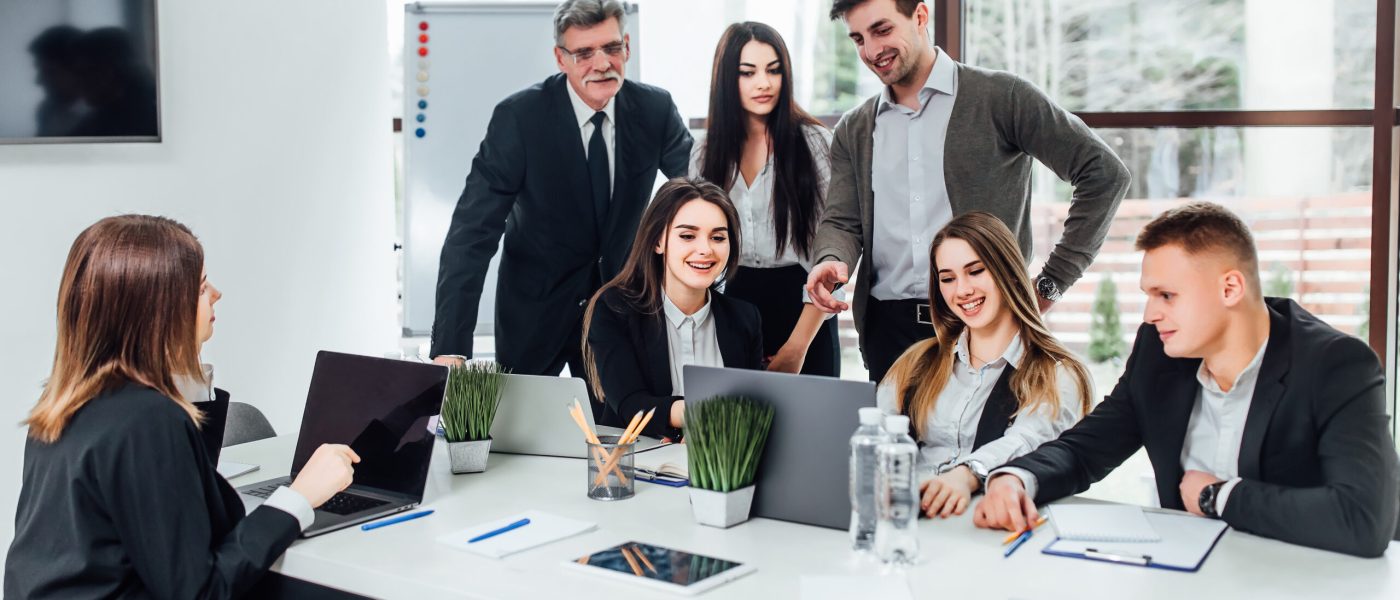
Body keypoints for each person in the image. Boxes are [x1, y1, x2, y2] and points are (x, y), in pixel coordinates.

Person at [975, 202, 1400, 558]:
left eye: (1166, 295)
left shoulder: (1337, 365)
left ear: (1230, 288)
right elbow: (1086, 448)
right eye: (1148, 296)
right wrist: (1017, 478)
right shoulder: (1157, 354)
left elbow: (1362, 519)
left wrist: (1220, 497)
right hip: (1189, 578)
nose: (1149, 315)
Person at [4, 215, 360, 598]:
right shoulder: (145, 419)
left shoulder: (66, 402)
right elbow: (201, 591)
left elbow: (188, 510)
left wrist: (180, 369)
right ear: (160, 310)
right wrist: (299, 497)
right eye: (203, 287)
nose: (217, 294)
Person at [806, 0, 1130, 383]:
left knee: (994, 444)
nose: (871, 51)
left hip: (985, 321)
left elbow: (1104, 174)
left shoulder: (1002, 97)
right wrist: (831, 258)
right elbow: (842, 221)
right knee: (891, 444)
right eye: (858, 39)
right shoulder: (854, 129)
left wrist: (1049, 285)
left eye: (882, 30)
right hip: (888, 335)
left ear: (921, 16)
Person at [431, 0, 693, 411]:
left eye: (611, 48)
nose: (601, 63)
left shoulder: (655, 110)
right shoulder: (519, 118)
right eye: (584, 53)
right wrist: (451, 346)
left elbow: (698, 197)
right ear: (560, 58)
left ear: (627, 46)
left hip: (618, 308)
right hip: (534, 310)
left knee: (618, 441)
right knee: (522, 438)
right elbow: (472, 232)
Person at [879, 212, 1092, 519]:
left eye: (975, 271)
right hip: (910, 522)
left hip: (989, 523)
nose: (961, 290)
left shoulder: (1056, 373)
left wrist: (964, 475)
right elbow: (876, 437)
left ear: (1007, 270)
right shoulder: (917, 362)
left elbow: (1028, 440)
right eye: (948, 278)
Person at [690, 22, 839, 377]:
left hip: (806, 310)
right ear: (727, 79)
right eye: (748, 72)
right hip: (733, 308)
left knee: (812, 428)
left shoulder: (815, 143)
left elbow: (832, 251)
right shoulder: (705, 153)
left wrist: (796, 348)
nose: (764, 83)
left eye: (774, 70)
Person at [583, 178, 764, 439]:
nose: (705, 249)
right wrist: (712, 412)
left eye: (718, 237)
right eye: (687, 236)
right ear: (658, 241)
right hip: (637, 469)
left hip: (718, 474)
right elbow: (630, 405)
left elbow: (753, 412)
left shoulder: (745, 318)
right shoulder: (615, 308)